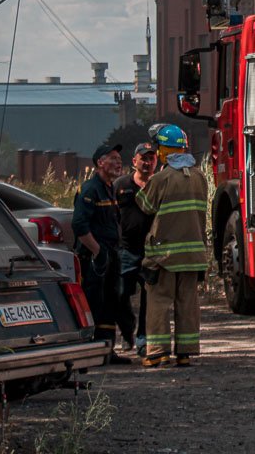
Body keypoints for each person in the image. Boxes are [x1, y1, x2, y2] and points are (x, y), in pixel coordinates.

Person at [136, 125, 208, 368]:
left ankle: (158, 352)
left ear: (163, 152)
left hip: (164, 255)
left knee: (158, 301)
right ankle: (185, 352)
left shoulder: (161, 179)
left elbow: (145, 206)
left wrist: (144, 183)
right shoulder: (199, 177)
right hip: (193, 254)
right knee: (187, 303)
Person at [72, 143, 130, 364]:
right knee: (94, 303)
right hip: (95, 260)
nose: (118, 162)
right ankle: (90, 352)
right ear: (100, 163)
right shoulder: (90, 189)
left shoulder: (109, 188)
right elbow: (79, 225)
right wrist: (98, 253)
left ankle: (107, 350)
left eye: (119, 158)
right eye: (113, 158)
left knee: (110, 303)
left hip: (111, 256)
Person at [114, 142, 158, 355]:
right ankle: (126, 330)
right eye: (144, 159)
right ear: (134, 162)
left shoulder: (159, 185)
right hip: (126, 250)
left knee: (149, 295)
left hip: (151, 251)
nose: (148, 163)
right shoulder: (121, 185)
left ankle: (143, 336)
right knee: (121, 293)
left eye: (152, 159)